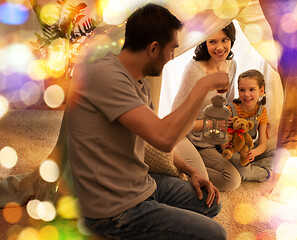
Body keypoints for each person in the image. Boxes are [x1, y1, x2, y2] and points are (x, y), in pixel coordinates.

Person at [66, 3, 229, 240]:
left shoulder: (138, 82)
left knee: (210, 204)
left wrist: (192, 171)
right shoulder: (105, 76)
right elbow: (164, 138)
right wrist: (204, 85)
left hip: (138, 183)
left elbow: (156, 138)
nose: (172, 57)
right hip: (112, 209)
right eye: (172, 49)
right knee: (216, 234)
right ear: (154, 48)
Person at [172, 22, 241, 192]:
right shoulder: (195, 70)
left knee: (233, 180)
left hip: (207, 141)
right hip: (182, 136)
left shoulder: (231, 65)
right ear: (204, 42)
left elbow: (227, 104)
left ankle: (183, 171)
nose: (220, 47)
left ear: (231, 39)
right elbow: (176, 121)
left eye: (224, 40)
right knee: (202, 183)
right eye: (212, 42)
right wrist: (211, 124)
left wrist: (227, 134)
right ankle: (181, 167)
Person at [225, 69, 275, 182]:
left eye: (251, 89)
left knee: (279, 155)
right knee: (242, 171)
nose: (246, 94)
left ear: (261, 91)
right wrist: (228, 149)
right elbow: (223, 141)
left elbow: (263, 144)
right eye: (242, 90)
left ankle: (251, 166)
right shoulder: (230, 109)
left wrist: (254, 153)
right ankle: (264, 174)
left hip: (249, 147)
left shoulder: (261, 111)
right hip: (233, 150)